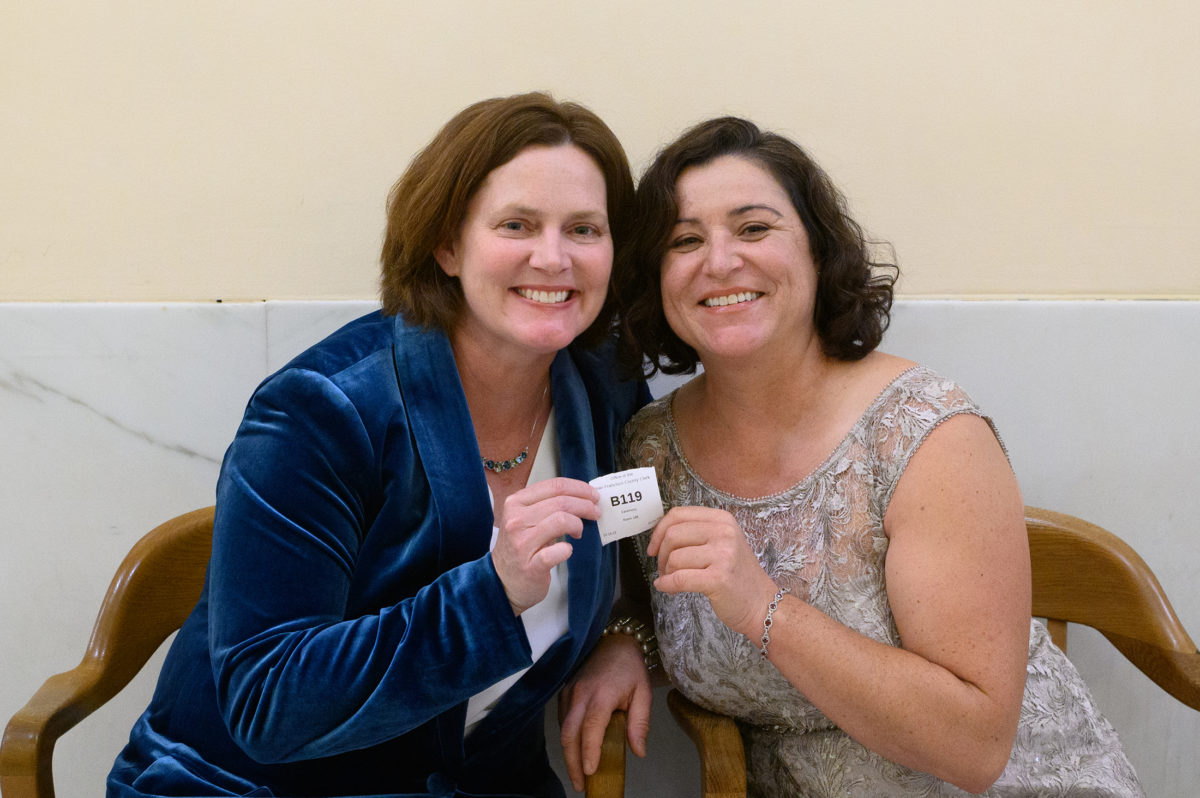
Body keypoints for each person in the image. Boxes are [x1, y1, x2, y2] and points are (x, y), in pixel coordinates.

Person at [559, 117, 1143, 796]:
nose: (718, 261)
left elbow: (975, 748)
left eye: (753, 229)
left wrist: (764, 609)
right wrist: (627, 640)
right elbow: (663, 599)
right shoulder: (651, 448)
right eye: (685, 240)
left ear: (817, 251)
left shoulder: (925, 433)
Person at [107, 92, 649, 798]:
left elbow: (645, 550)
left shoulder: (604, 389)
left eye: (584, 228)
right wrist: (490, 593)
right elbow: (266, 705)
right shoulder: (321, 409)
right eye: (517, 224)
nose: (553, 257)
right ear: (447, 245)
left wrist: (624, 638)